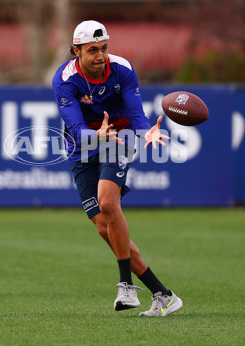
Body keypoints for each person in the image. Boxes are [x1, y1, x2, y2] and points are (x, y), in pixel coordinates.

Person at [52, 20, 183, 316]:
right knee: (103, 226)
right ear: (77, 52)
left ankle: (125, 286)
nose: (101, 55)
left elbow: (136, 113)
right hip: (82, 145)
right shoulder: (64, 79)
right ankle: (163, 294)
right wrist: (96, 134)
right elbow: (75, 126)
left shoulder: (122, 68)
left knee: (108, 202)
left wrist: (147, 131)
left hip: (120, 138)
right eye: (93, 50)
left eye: (104, 48)